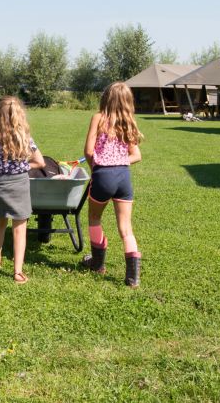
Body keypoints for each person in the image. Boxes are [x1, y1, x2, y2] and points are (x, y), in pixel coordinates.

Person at [80, 82, 143, 287]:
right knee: (126, 228)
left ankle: (97, 264)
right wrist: (120, 161)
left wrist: (96, 169)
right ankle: (133, 277)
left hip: (103, 175)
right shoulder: (128, 122)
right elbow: (136, 156)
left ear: (106, 97)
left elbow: (88, 151)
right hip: (123, 177)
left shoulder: (98, 118)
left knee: (94, 218)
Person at [0, 96, 45, 284]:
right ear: (20, 115)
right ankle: (17, 272)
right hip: (20, 185)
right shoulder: (25, 139)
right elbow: (40, 162)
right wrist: (22, 167)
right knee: (19, 229)